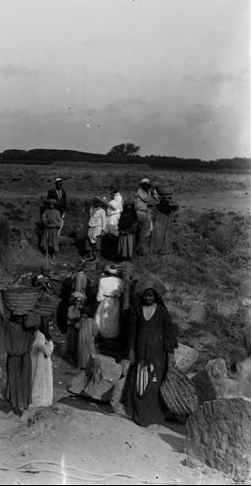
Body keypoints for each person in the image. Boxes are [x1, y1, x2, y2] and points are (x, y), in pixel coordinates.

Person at [127, 278, 177, 427]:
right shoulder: (137, 309)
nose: (148, 298)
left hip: (157, 353)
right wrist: (131, 350)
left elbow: (169, 332)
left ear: (156, 297)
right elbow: (132, 331)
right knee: (140, 383)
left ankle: (151, 416)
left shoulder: (162, 312)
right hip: (141, 351)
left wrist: (171, 353)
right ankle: (139, 415)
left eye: (151, 296)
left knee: (154, 383)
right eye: (146, 295)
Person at [3, 312, 39, 414]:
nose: (19, 319)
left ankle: (25, 408)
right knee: (13, 380)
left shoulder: (28, 326)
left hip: (25, 358)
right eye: (17, 316)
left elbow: (37, 322)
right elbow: (6, 340)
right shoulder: (10, 325)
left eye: (21, 316)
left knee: (24, 381)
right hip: (13, 358)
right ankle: (14, 404)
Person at [30, 317, 55, 407]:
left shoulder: (42, 335)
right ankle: (36, 399)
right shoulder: (35, 333)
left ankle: (41, 400)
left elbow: (49, 350)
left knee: (41, 380)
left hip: (42, 362)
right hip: (35, 360)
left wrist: (42, 347)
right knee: (36, 379)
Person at [135, 178, 159, 254]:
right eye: (146, 185)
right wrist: (153, 196)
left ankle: (143, 249)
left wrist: (154, 191)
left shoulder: (148, 191)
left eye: (148, 185)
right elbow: (147, 200)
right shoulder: (140, 191)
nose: (147, 186)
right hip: (141, 213)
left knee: (148, 231)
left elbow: (156, 198)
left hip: (147, 213)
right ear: (143, 185)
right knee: (145, 232)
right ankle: (140, 250)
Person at [104, 185, 123, 256]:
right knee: (107, 232)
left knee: (113, 233)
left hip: (114, 217)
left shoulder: (119, 197)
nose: (110, 192)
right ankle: (107, 249)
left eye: (111, 190)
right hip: (110, 216)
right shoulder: (113, 196)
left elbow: (115, 206)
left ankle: (113, 250)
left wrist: (107, 201)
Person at [86, 197, 106, 261]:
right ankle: (91, 256)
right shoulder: (91, 209)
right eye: (94, 202)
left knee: (97, 244)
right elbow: (91, 217)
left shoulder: (102, 211)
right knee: (89, 243)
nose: (95, 204)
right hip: (91, 228)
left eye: (97, 202)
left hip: (98, 229)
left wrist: (103, 230)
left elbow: (104, 221)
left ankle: (97, 257)